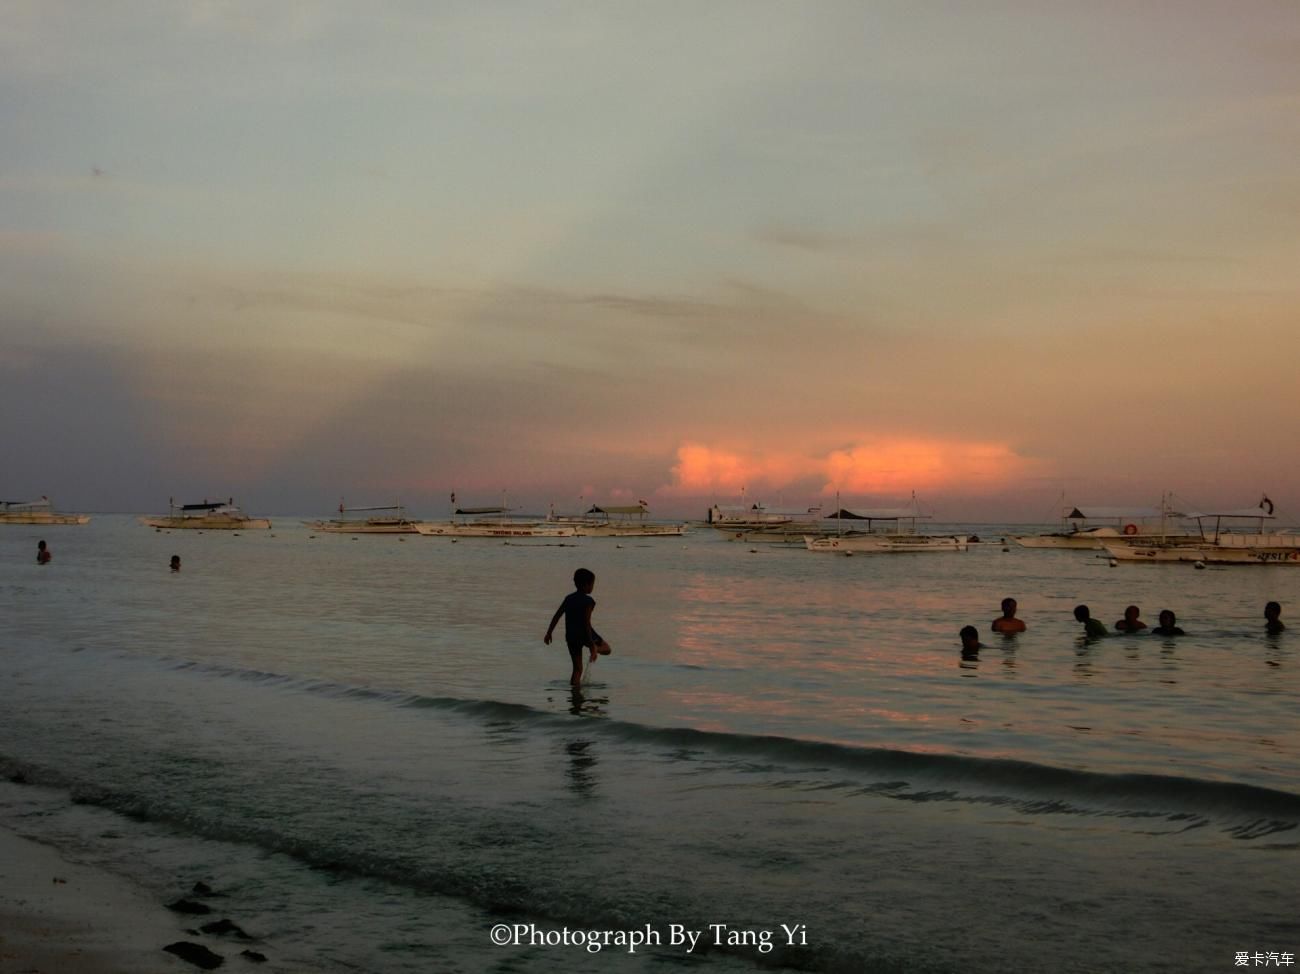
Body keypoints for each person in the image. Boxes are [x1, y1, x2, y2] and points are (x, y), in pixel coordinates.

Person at [544, 568, 607, 687]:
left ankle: (575, 697)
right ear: (587, 585)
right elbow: (586, 623)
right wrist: (591, 644)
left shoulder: (569, 598)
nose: (593, 587)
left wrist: (549, 633)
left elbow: (557, 615)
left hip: (571, 636)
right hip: (585, 633)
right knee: (607, 649)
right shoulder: (588, 601)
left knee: (577, 669)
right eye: (592, 584)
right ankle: (595, 650)